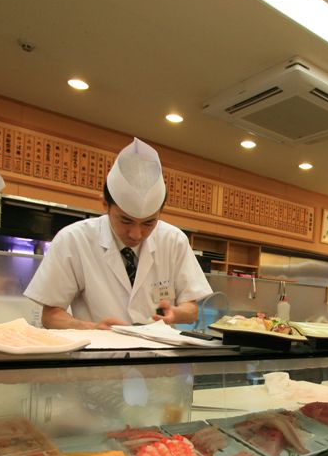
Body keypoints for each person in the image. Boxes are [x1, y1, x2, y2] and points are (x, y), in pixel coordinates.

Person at [25, 138, 212, 329]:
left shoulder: (174, 240)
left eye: (148, 223)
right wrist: (92, 328)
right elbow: (50, 315)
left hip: (157, 348)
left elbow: (191, 309)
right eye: (126, 221)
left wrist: (176, 313)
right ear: (105, 204)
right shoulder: (74, 239)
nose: (136, 234)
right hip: (98, 347)